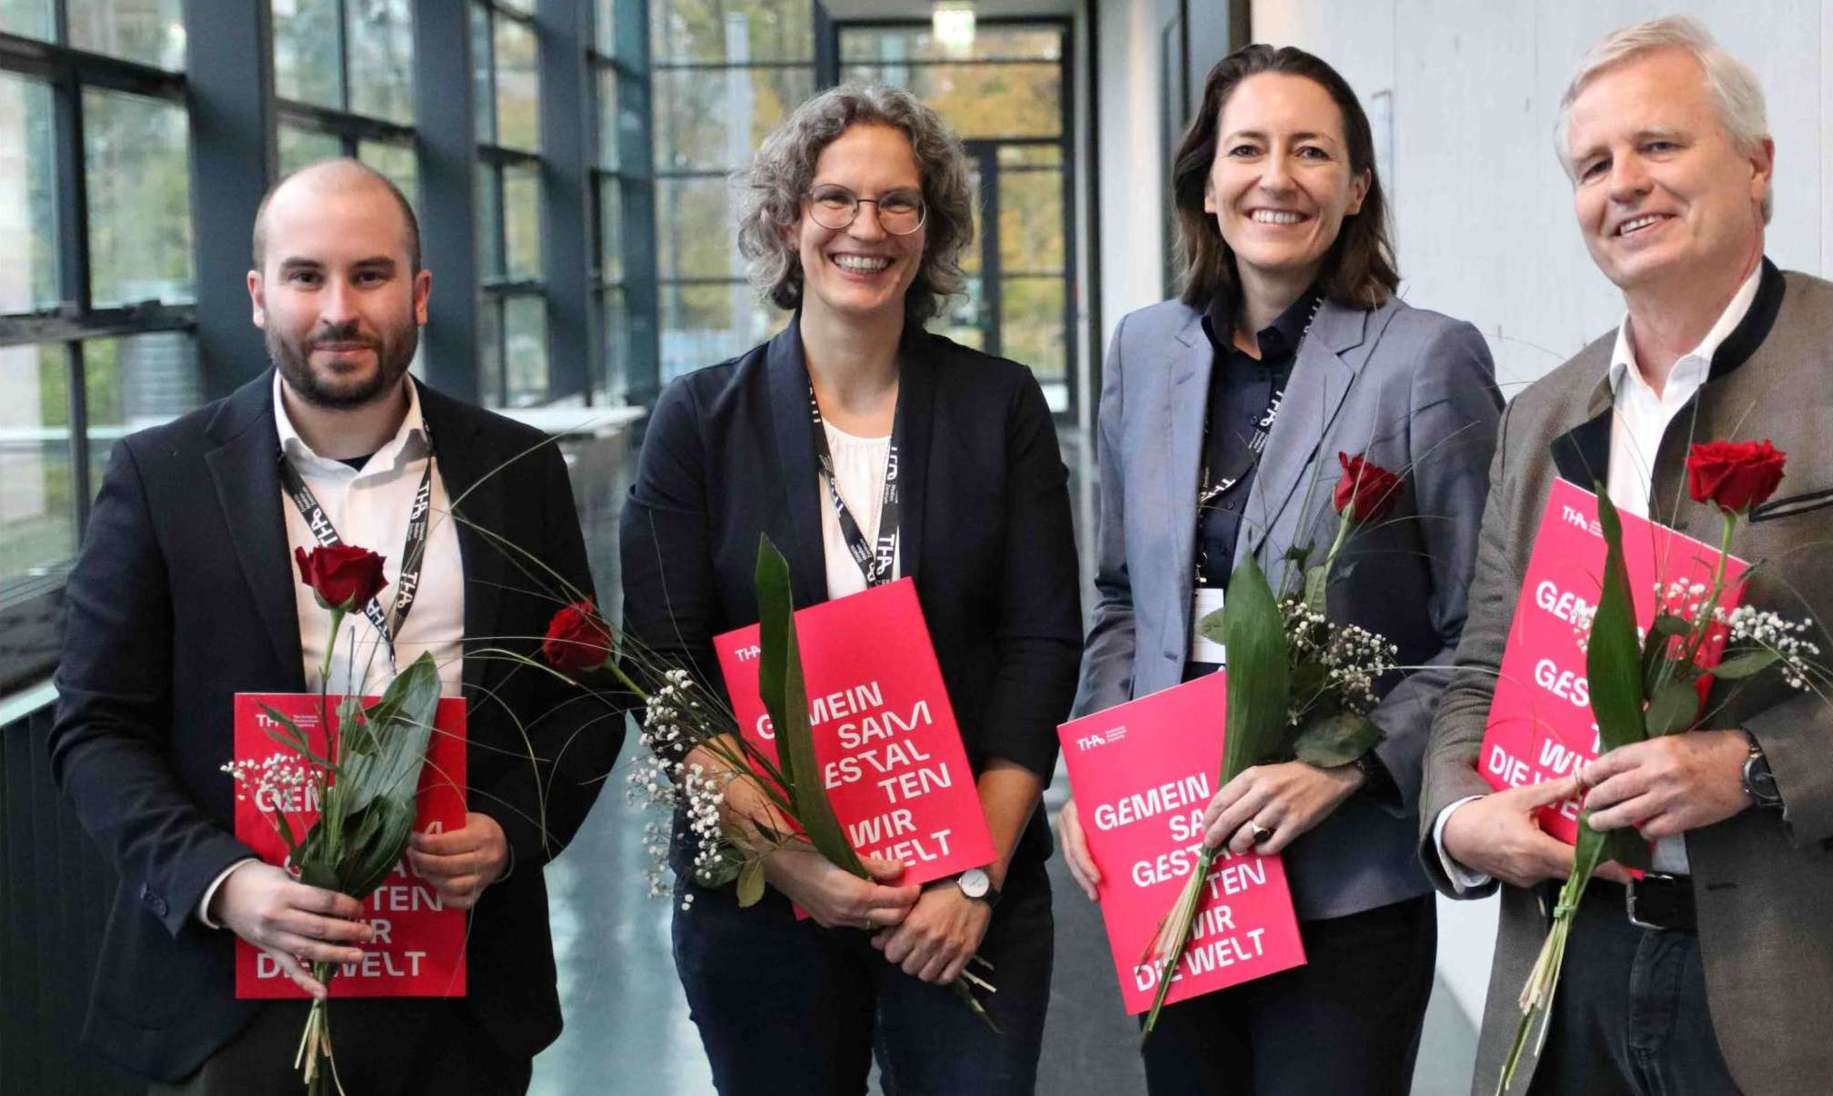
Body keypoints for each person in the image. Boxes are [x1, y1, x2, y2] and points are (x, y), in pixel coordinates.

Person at [1422, 16, 1833, 1096]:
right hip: (1572, 969)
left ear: (1756, 164)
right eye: (1592, 164)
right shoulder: (1539, 419)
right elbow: (1481, 669)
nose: (1623, 182)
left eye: (1659, 145)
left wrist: (1754, 765)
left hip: (1813, 991)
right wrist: (1458, 814)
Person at [47, 159, 624, 1094]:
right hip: (232, 990)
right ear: (257, 294)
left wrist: (510, 831)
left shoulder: (517, 471)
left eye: (370, 275)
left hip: (465, 984)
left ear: (421, 292)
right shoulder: (161, 478)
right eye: (306, 276)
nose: (338, 310)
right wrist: (225, 884)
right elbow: (97, 728)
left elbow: (584, 701)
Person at [619, 84, 1080, 1096]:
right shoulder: (699, 419)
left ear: (931, 231)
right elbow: (662, 666)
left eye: (898, 203)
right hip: (760, 906)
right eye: (835, 199)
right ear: (789, 222)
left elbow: (1040, 647)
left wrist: (970, 878)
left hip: (966, 901)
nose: (865, 228)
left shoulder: (997, 406)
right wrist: (792, 863)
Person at [1059, 44, 1503, 1094]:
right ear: (1205, 185)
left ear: (1355, 189)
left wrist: (1348, 766)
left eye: (1312, 152)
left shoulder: (1427, 359)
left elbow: (1484, 622)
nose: (1277, 177)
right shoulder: (1146, 350)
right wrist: (1093, 772)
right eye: (1247, 149)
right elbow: (1122, 592)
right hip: (1171, 857)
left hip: (1346, 874)